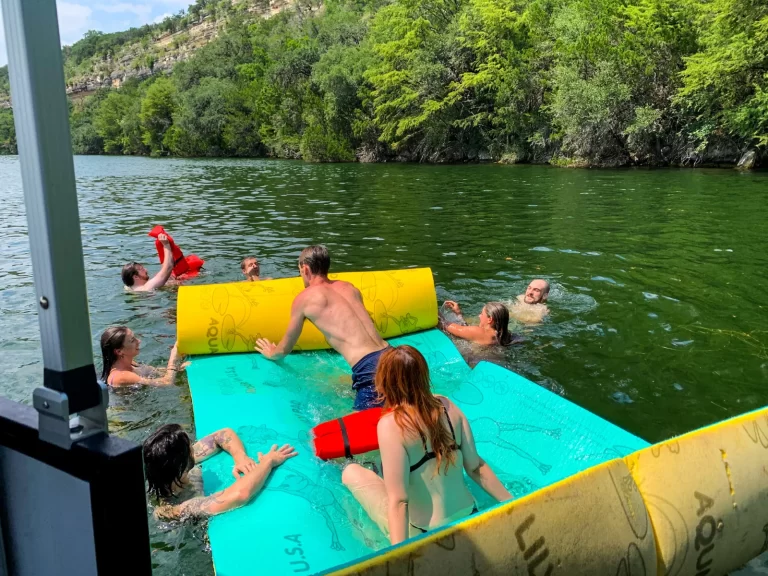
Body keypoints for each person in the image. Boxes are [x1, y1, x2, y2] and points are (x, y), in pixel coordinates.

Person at [342, 346, 511, 544]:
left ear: (384, 381)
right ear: (424, 375)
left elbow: (399, 501)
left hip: (423, 532)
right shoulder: (448, 407)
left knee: (350, 471)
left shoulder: (390, 425)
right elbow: (476, 467)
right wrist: (512, 504)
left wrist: (400, 555)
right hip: (469, 514)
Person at [254, 245, 388, 411]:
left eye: (300, 271)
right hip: (392, 354)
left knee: (361, 432)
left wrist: (271, 353)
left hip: (368, 369)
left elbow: (285, 348)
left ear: (306, 269)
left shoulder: (305, 298)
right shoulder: (349, 287)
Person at [143, 423, 297, 520]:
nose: (193, 445)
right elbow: (241, 494)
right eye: (189, 445)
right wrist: (268, 462)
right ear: (181, 462)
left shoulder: (167, 470)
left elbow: (223, 434)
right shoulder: (180, 507)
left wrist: (240, 457)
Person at [100, 326, 182, 386]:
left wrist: (179, 368)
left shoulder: (130, 363)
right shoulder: (121, 376)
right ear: (119, 351)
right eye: (132, 340)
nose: (138, 341)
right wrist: (173, 358)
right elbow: (167, 382)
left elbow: (155, 372)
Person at [441, 301, 514, 346]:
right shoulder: (506, 335)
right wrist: (458, 314)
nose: (479, 316)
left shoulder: (479, 332)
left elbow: (444, 324)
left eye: (482, 314)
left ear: (490, 319)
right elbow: (468, 332)